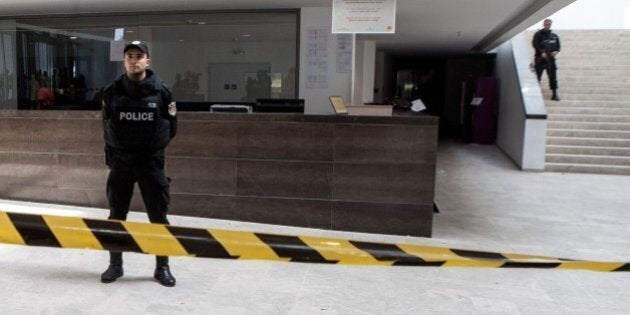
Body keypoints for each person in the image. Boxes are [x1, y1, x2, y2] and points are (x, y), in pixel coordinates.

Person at [100, 40, 178, 287]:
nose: (134, 60)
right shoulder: (111, 91)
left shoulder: (162, 91)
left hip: (150, 164)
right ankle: (115, 265)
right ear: (124, 61)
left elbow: (171, 128)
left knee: (158, 217)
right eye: (130, 56)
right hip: (121, 163)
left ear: (147, 60)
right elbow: (106, 126)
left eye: (139, 56)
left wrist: (151, 151)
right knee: (116, 216)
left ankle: (162, 267)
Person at [532, 18, 561, 101]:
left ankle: (554, 94)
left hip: (551, 59)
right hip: (540, 59)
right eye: (546, 24)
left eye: (549, 24)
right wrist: (541, 52)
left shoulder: (554, 36)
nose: (547, 25)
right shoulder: (538, 34)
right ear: (543, 24)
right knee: (537, 76)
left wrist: (556, 51)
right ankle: (534, 94)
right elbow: (535, 44)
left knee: (553, 77)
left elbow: (558, 46)